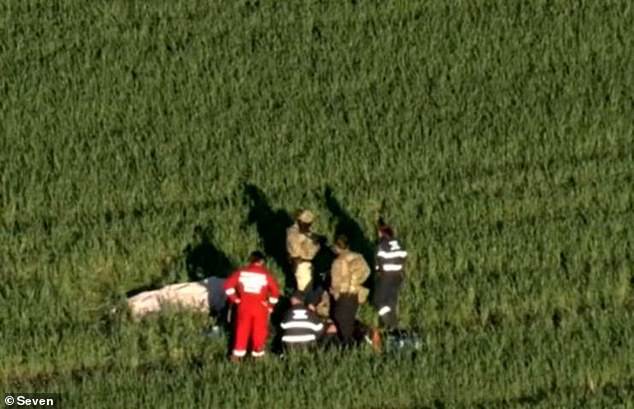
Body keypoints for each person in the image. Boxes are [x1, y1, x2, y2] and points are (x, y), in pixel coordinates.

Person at [223, 251, 280, 362]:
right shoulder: (265, 275)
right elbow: (275, 292)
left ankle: (237, 355)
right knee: (259, 330)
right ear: (262, 261)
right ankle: (257, 355)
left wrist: (236, 299)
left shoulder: (241, 272)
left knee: (241, 330)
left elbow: (228, 286)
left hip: (243, 306)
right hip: (260, 307)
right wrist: (270, 305)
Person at [329, 235, 370, 347]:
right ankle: (358, 338)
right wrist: (356, 281)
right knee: (349, 319)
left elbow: (335, 283)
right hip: (355, 294)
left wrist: (335, 294)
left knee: (340, 319)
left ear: (338, 247)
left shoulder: (337, 262)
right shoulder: (358, 257)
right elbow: (367, 271)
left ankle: (349, 345)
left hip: (343, 296)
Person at [372, 219, 407, 332]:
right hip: (398, 276)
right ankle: (392, 324)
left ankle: (391, 324)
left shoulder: (381, 245)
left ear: (381, 233)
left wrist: (378, 273)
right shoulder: (399, 243)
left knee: (378, 301)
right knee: (391, 301)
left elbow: (377, 264)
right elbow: (404, 257)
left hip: (386, 276)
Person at [286, 209, 322, 293]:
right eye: (308, 223)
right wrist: (311, 243)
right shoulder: (293, 234)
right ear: (301, 222)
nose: (310, 225)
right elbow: (297, 253)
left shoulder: (306, 231)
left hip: (309, 265)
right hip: (301, 266)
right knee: (305, 292)